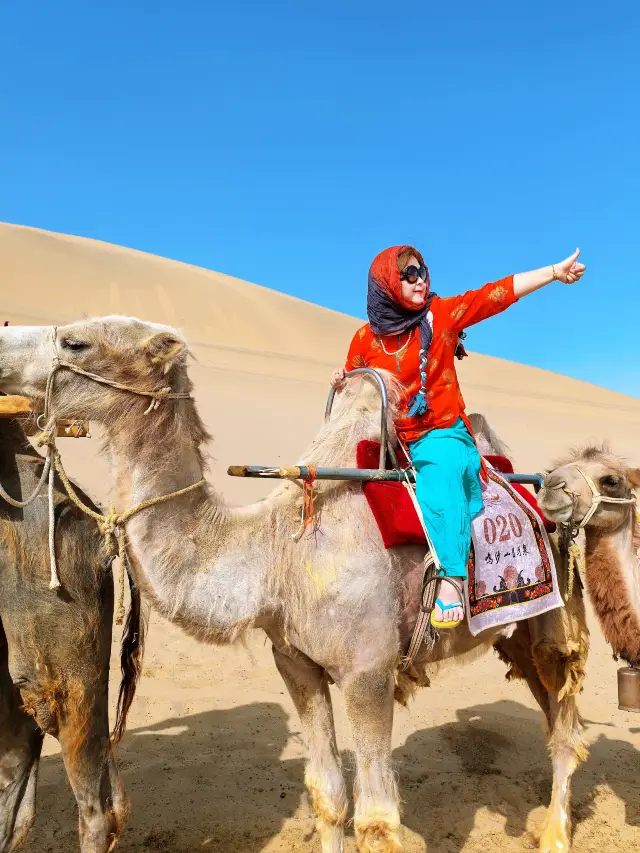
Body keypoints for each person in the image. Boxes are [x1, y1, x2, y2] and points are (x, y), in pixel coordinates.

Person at [331, 245, 585, 629]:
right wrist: (340, 380)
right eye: (409, 274)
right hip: (392, 438)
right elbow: (356, 382)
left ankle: (453, 577)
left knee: (443, 473)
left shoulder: (440, 316)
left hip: (441, 434)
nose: (421, 280)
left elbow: (494, 295)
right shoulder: (365, 339)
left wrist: (553, 271)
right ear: (385, 285)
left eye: (422, 271)